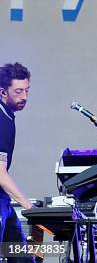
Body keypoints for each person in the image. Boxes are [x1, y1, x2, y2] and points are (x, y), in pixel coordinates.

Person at [0, 62, 34, 263]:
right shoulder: (2, 120)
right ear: (3, 92)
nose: (24, 97)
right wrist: (29, 207)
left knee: (20, 257)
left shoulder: (7, 116)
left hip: (2, 199)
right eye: (19, 91)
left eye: (27, 90)